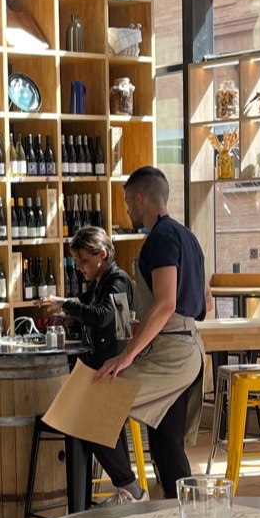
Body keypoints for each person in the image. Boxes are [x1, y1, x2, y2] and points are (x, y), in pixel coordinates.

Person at [93, 165, 206, 493]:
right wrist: (149, 325)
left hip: (171, 356)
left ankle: (131, 492)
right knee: (166, 443)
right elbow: (204, 302)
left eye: (128, 201)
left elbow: (167, 303)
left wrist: (127, 355)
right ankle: (186, 512)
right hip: (187, 348)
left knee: (94, 405)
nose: (127, 209)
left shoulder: (160, 238)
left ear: (140, 198)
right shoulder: (188, 237)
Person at [49, 225, 145, 503]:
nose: (79, 268)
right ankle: (127, 492)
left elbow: (103, 316)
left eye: (84, 261)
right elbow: (106, 317)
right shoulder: (103, 282)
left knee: (90, 425)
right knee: (100, 428)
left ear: (102, 255)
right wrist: (72, 318)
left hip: (115, 369)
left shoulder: (117, 280)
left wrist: (66, 304)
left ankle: (132, 490)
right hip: (107, 368)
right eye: (77, 262)